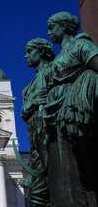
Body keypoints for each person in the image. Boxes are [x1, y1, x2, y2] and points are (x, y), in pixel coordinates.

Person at [44, 11, 98, 206]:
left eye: (52, 27)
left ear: (64, 26)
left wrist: (82, 89)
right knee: (64, 173)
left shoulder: (81, 45)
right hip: (57, 116)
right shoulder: (58, 57)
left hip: (74, 112)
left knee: (81, 166)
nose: (49, 32)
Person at [21, 38, 55, 207]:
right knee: (36, 190)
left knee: (52, 180)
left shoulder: (53, 70)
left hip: (49, 130)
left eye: (29, 52)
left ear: (41, 52)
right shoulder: (30, 85)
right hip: (35, 134)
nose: (26, 56)